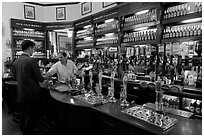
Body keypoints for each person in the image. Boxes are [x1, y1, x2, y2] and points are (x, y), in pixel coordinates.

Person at [12, 40, 44, 134]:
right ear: (30, 48)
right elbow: (39, 78)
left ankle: (23, 130)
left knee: (23, 113)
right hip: (31, 93)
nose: (33, 51)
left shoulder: (16, 61)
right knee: (30, 115)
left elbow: (15, 77)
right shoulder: (31, 60)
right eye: (33, 48)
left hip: (20, 92)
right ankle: (28, 133)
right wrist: (45, 78)